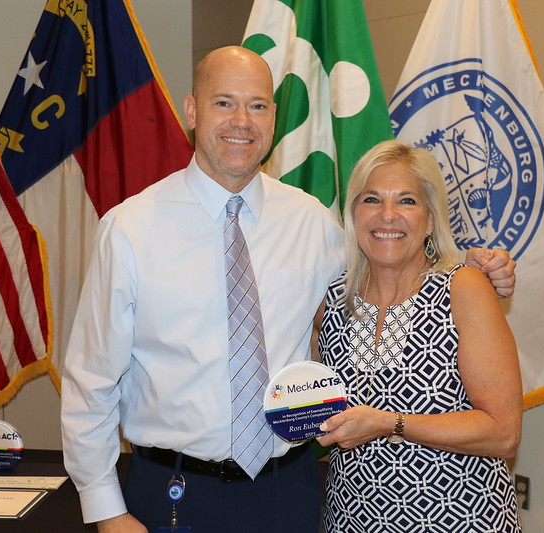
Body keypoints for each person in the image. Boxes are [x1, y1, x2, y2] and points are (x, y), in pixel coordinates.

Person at [61, 46, 517, 533]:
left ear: (274, 118)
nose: (242, 120)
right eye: (224, 103)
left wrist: (475, 264)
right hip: (174, 491)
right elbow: (91, 381)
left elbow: (390, 254)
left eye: (257, 105)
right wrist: (106, 508)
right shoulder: (130, 229)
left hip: (289, 493)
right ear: (192, 111)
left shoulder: (312, 223)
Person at [316, 140, 523, 532]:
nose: (387, 216)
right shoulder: (332, 300)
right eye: (372, 199)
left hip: (459, 520)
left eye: (407, 201)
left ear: (430, 219)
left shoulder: (462, 288)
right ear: (354, 214)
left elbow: (503, 432)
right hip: (350, 521)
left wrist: (390, 423)